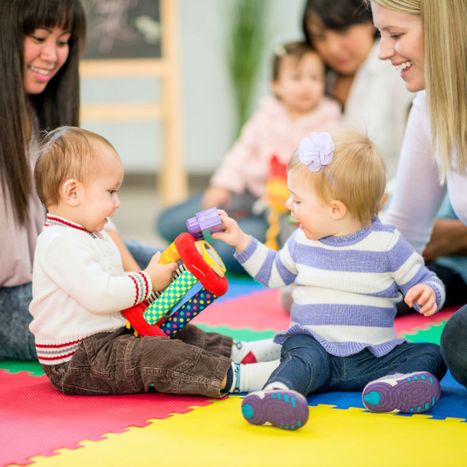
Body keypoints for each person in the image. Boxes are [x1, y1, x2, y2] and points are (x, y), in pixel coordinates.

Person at [213, 129, 447, 430]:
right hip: (316, 349)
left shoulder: (388, 243)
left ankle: (392, 386)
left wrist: (428, 291)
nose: (288, 206)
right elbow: (273, 272)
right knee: (297, 357)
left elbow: (426, 278)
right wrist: (241, 241)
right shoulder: (301, 241)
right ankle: (278, 393)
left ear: (336, 210)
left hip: (372, 358)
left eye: (297, 201)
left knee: (433, 353)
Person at [29, 126, 280, 397]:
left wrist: (155, 290)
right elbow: (100, 294)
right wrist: (148, 281)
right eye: (110, 192)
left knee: (178, 331)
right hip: (79, 359)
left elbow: (113, 285)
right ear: (73, 193)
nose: (117, 203)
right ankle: (234, 377)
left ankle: (241, 352)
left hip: (108, 336)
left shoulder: (89, 234)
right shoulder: (59, 242)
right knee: (155, 354)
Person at [0, 0, 154, 361]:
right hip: (11, 295)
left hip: (54, 262)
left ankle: (150, 330)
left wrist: (139, 282)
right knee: (110, 304)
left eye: (64, 41)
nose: (52, 56)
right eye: (39, 37)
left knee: (161, 262)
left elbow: (90, 217)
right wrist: (137, 292)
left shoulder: (39, 115)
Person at [156, 41, 341, 273]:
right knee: (168, 222)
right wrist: (221, 186)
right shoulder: (265, 116)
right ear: (276, 85)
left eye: (314, 78)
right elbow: (240, 153)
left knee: (227, 252)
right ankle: (212, 236)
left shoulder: (329, 121)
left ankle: (220, 241)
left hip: (280, 215)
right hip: (243, 195)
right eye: (297, 77)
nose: (307, 85)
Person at [368, 0, 467, 388]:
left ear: (445, 27)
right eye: (380, 35)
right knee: (459, 345)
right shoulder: (430, 108)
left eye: (395, 35)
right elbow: (405, 228)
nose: (382, 52)